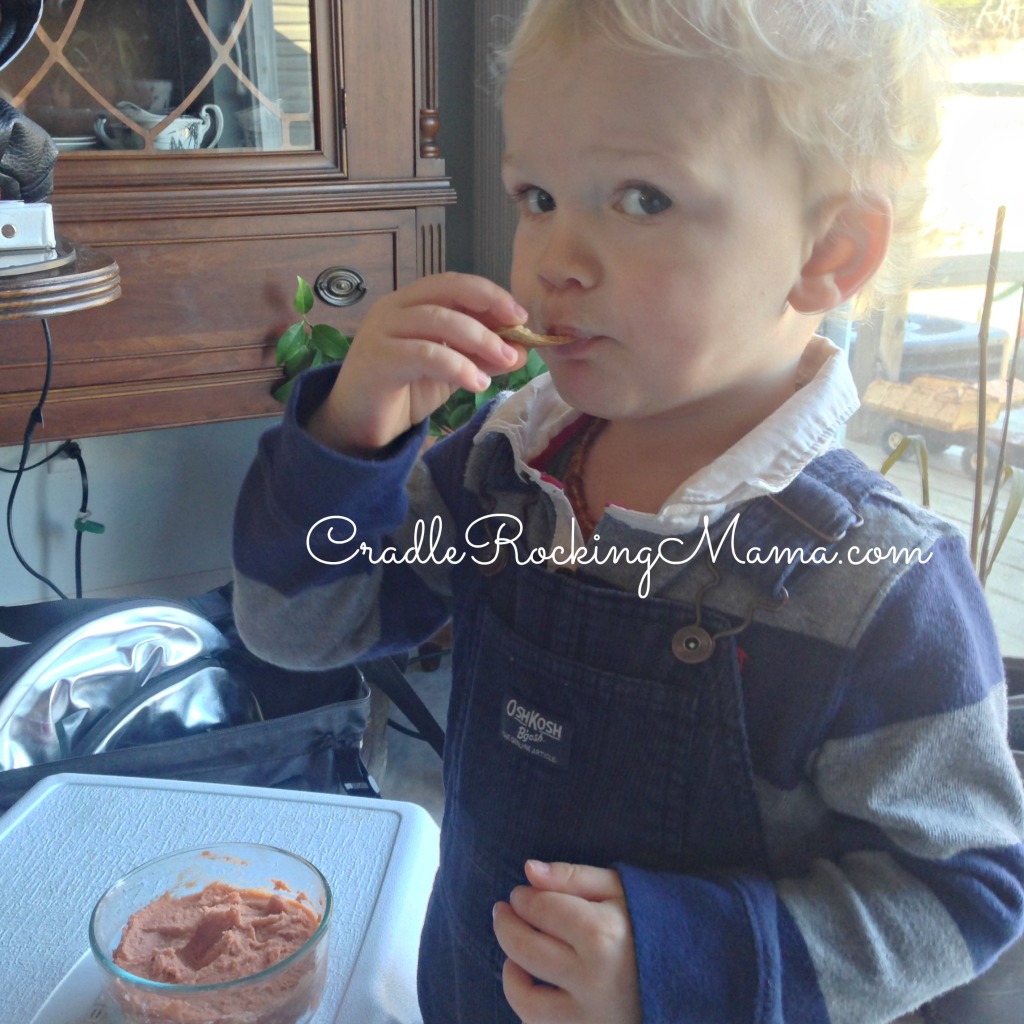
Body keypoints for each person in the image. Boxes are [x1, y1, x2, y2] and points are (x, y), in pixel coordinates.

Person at [232, 1, 1024, 1021]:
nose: (556, 256)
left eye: (642, 198)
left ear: (829, 250)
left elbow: (967, 890)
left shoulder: (874, 580)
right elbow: (296, 630)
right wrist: (348, 439)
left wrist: (682, 961)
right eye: (539, 194)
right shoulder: (501, 477)